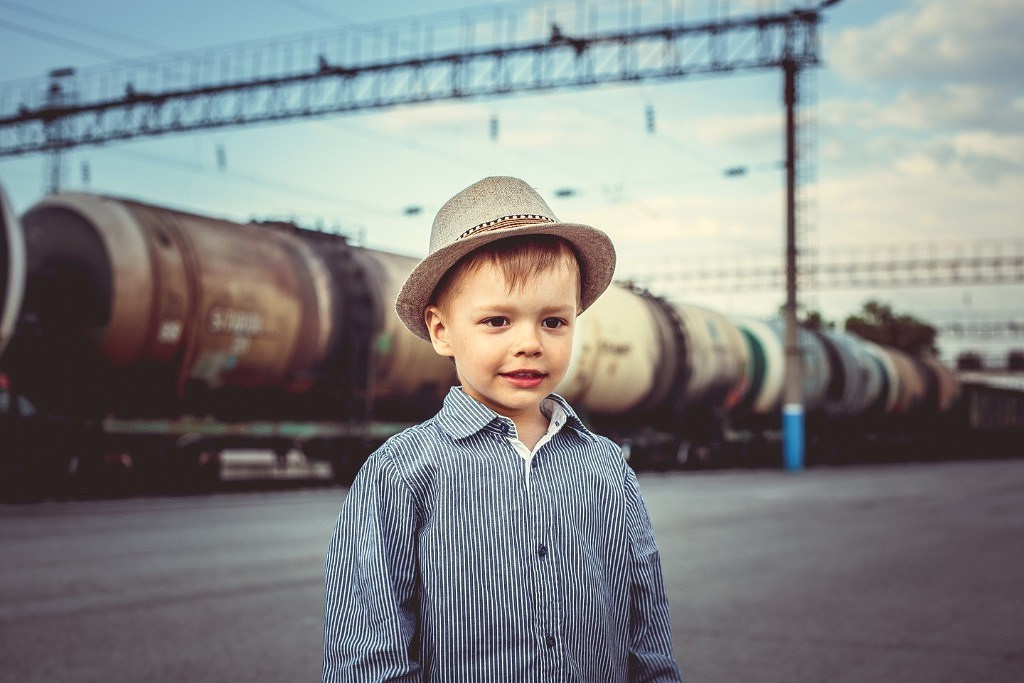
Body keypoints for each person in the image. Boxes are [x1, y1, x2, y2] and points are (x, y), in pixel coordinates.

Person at [323, 176, 680, 682]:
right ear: (441, 331)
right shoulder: (401, 474)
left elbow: (648, 635)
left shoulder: (606, 468)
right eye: (497, 321)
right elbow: (367, 654)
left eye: (554, 322)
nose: (530, 343)